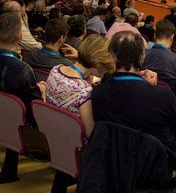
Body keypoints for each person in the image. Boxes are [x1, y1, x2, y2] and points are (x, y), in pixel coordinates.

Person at [91, 31, 176, 185]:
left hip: (115, 162)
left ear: (111, 57)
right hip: (157, 167)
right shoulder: (163, 94)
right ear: (142, 57)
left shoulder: (98, 93)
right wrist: (155, 89)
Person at [0, 13, 46, 183]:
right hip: (22, 122)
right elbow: (35, 111)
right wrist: (41, 93)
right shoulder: (23, 70)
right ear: (20, 36)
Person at [46, 35, 113, 137]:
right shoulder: (84, 91)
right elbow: (90, 133)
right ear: (99, 64)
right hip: (75, 144)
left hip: (52, 133)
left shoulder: (55, 70)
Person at [143, 19, 176, 107]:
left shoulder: (141, 56)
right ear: (172, 37)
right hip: (171, 108)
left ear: (155, 35)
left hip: (144, 103)